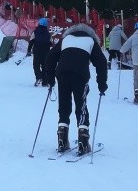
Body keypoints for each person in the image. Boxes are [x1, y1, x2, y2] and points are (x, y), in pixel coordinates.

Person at [44, 22, 108, 154]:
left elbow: (50, 57)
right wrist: (102, 84)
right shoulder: (91, 40)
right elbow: (101, 62)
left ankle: (62, 139)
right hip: (80, 75)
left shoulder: (66, 39)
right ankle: (83, 141)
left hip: (62, 73)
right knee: (81, 105)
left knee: (64, 105)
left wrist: (50, 79)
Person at [26, 17, 52, 86]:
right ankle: (45, 82)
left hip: (37, 51)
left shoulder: (35, 32)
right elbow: (51, 43)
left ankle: (39, 77)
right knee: (44, 66)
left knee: (36, 65)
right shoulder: (48, 34)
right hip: (46, 52)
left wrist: (29, 50)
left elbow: (31, 41)